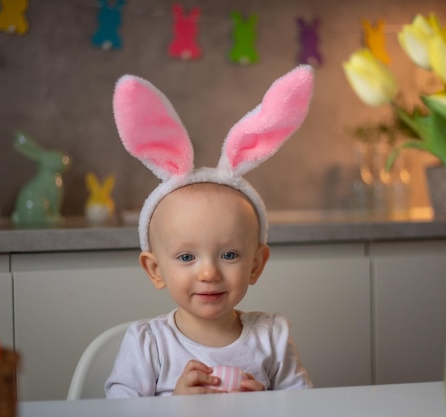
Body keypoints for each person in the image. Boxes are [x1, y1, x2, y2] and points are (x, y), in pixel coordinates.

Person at [105, 65, 315, 397]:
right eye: (186, 256)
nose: (209, 272)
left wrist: (265, 404)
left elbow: (308, 407)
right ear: (155, 269)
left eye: (229, 254)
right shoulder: (148, 345)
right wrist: (175, 404)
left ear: (256, 264)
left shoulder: (271, 338)